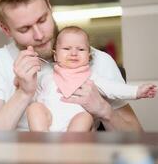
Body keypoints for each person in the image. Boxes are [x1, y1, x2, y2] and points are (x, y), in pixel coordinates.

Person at [0, 0, 143, 131]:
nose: (39, 35)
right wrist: (23, 94)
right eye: (25, 29)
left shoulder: (99, 61)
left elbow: (138, 137)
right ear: (6, 30)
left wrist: (104, 110)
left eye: (42, 20)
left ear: (49, 6)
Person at [26, 26, 157, 132]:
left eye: (81, 49)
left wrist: (137, 91)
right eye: (66, 48)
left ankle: (68, 152)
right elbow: (34, 94)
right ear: (55, 55)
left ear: (88, 56)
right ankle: (43, 143)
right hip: (48, 122)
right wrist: (22, 85)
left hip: (75, 125)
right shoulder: (46, 76)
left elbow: (114, 88)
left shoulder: (92, 78)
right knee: (34, 108)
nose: (73, 53)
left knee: (85, 118)